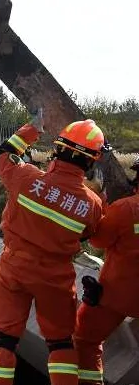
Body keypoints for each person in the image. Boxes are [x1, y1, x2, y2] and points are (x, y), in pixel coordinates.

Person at [0, 115, 105, 385]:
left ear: (57, 149)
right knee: (61, 342)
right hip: (55, 278)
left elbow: (2, 154)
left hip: (13, 269)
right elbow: (89, 235)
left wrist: (32, 130)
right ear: (91, 161)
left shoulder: (25, 177)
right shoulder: (92, 204)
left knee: (3, 340)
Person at [73, 158, 139, 384]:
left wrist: (98, 199)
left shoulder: (126, 208)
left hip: (118, 295)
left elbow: (98, 241)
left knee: (85, 339)